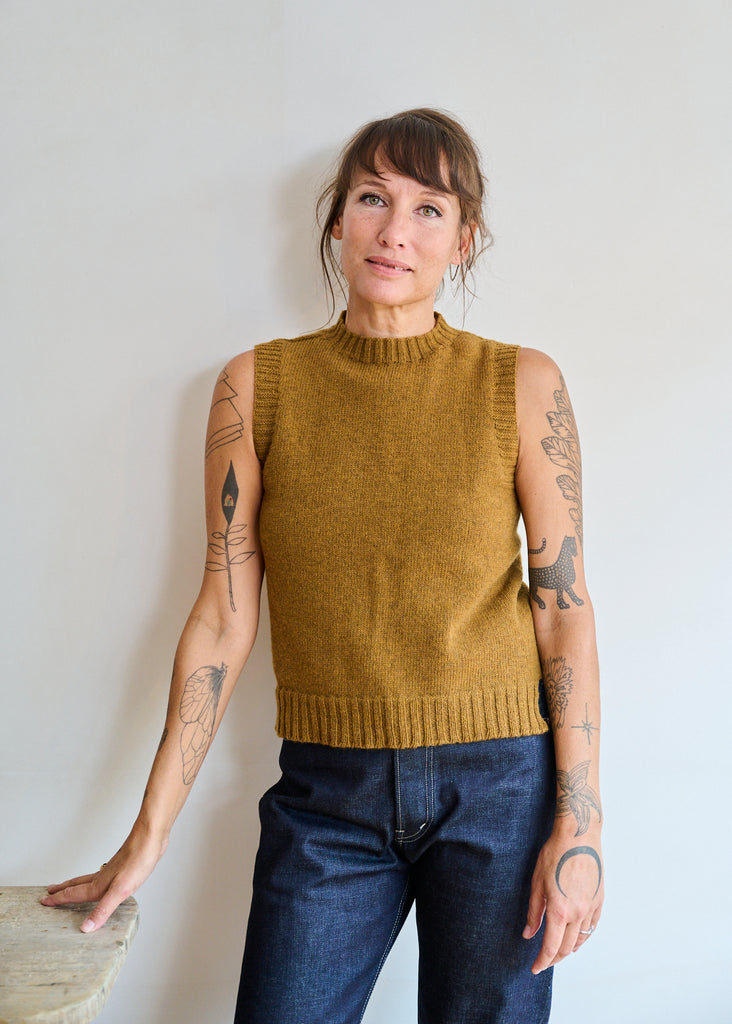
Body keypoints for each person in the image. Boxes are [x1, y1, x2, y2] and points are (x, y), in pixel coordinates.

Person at [42, 108, 603, 1023]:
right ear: (337, 218)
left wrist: (579, 821)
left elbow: (563, 609)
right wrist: (147, 837)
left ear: (463, 241)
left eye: (429, 209)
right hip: (326, 796)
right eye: (373, 198)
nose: (395, 230)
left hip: (501, 788)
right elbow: (222, 619)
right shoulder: (257, 387)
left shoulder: (521, 384)